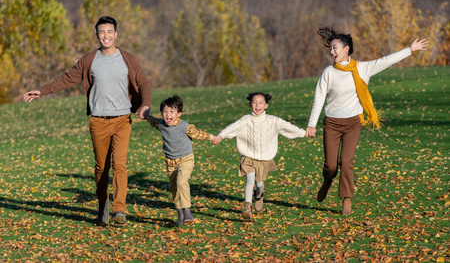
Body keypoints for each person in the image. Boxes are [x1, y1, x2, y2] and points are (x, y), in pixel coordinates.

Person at [23, 16, 152, 227]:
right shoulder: (90, 60)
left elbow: (144, 83)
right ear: (97, 35)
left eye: (110, 32)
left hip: (122, 120)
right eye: (102, 32)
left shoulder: (127, 59)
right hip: (98, 121)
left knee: (120, 164)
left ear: (116, 34)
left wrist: (145, 105)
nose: (106, 36)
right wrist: (42, 91)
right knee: (101, 168)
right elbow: (67, 78)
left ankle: (120, 209)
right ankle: (103, 205)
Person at [305, 25, 429, 216]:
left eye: (335, 47)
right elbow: (318, 99)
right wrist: (311, 124)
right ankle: (328, 180)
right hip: (331, 123)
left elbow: (386, 61)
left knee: (346, 161)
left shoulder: (363, 68)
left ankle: (346, 198)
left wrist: (409, 50)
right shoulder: (328, 72)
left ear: (346, 49)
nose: (331, 51)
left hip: (353, 123)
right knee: (330, 165)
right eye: (330, 48)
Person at [212, 92, 306, 221]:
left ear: (266, 105)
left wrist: (304, 133)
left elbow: (288, 127)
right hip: (248, 156)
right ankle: (247, 208)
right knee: (250, 180)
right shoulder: (245, 120)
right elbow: (232, 127)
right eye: (254, 102)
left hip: (264, 158)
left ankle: (259, 194)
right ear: (250, 104)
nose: (257, 105)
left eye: (261, 102)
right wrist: (221, 135)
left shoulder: (273, 121)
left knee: (259, 183)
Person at [143, 95, 214, 226]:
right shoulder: (161, 125)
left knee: (182, 181)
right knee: (174, 189)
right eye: (165, 111)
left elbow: (198, 134)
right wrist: (145, 115)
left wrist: (212, 137)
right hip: (170, 162)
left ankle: (187, 211)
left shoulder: (185, 126)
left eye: (171, 111)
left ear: (179, 114)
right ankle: (180, 213)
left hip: (186, 159)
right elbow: (152, 120)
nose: (167, 114)